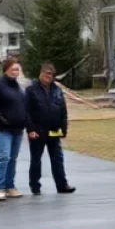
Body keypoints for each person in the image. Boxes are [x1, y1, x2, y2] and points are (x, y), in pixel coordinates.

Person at [26, 62, 76, 196]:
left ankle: (62, 184)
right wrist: (30, 129)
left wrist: (64, 128)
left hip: (54, 129)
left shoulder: (57, 90)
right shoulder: (31, 90)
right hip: (38, 130)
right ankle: (35, 186)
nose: (49, 77)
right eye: (46, 74)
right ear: (41, 74)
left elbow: (63, 110)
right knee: (36, 159)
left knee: (57, 158)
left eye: (51, 74)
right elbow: (27, 112)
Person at [0, 58, 27, 201]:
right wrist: (1, 120)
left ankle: (10, 186)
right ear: (6, 69)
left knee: (13, 159)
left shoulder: (18, 86)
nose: (16, 72)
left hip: (18, 129)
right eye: (14, 69)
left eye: (18, 69)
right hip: (2, 129)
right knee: (4, 157)